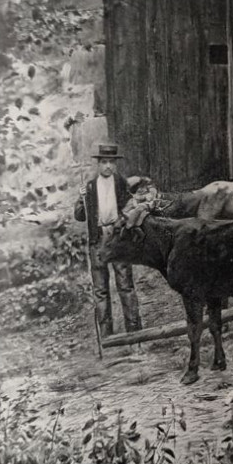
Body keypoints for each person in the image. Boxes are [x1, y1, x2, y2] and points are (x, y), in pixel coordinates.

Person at [73, 142, 142, 338]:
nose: (108, 166)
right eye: (104, 162)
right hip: (98, 240)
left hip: (118, 238)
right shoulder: (89, 186)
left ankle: (135, 334)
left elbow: (130, 206)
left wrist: (125, 217)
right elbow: (79, 215)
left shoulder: (121, 183)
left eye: (111, 162)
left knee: (125, 285)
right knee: (101, 289)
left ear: (115, 164)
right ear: (98, 164)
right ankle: (107, 337)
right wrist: (81, 199)